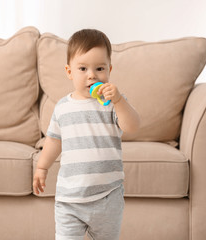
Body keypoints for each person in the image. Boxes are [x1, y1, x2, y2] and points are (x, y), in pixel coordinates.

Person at [33, 29, 141, 240]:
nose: (92, 75)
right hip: (69, 200)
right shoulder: (63, 107)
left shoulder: (113, 104)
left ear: (109, 70)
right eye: (83, 68)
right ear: (69, 71)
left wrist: (119, 101)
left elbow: (133, 127)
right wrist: (42, 167)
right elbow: (54, 140)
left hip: (108, 196)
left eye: (99, 68)